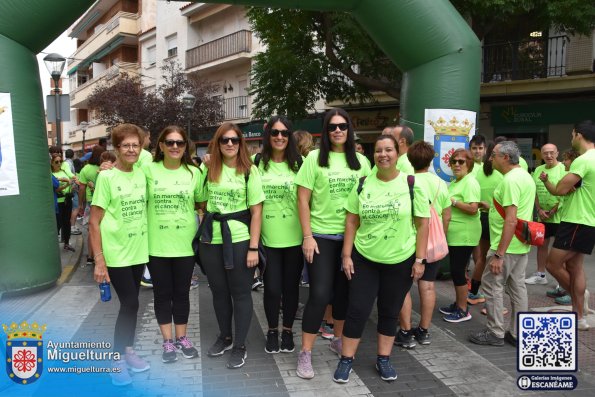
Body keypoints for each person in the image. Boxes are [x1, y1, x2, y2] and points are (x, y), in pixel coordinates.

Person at [333, 134, 429, 383]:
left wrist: (420, 260)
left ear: (398, 154)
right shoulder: (363, 183)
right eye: (378, 151)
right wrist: (346, 255)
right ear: (373, 155)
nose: (383, 155)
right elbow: (351, 220)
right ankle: (346, 360)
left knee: (389, 311)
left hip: (400, 260)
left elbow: (423, 224)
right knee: (357, 310)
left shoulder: (411, 184)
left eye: (388, 150)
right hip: (364, 257)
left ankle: (383, 359)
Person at [294, 108, 371, 379]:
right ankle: (305, 352)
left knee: (343, 294)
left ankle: (338, 340)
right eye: (332, 127)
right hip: (322, 238)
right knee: (320, 294)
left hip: (353, 239)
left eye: (342, 126)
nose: (337, 131)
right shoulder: (314, 159)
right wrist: (307, 236)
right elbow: (302, 199)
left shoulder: (361, 161)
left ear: (349, 130)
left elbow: (368, 200)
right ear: (325, 132)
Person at [197, 122, 265, 369]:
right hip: (211, 240)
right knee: (218, 292)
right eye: (224, 140)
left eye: (234, 140)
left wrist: (254, 248)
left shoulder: (250, 171)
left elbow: (257, 212)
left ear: (240, 144)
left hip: (239, 240)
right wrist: (204, 168)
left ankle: (240, 345)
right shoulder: (209, 169)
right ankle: (225, 337)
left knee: (241, 293)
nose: (229, 144)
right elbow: (200, 201)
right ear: (217, 143)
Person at [90, 124, 150, 385]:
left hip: (138, 251)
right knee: (131, 304)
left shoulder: (141, 173)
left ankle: (128, 352)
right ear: (116, 148)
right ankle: (117, 360)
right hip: (116, 253)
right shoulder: (106, 178)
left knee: (132, 304)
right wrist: (99, 260)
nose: (131, 149)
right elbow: (94, 221)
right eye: (126, 145)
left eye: (135, 145)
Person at [143, 126, 202, 363]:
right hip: (156, 245)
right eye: (170, 142)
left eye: (179, 143)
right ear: (160, 145)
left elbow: (202, 204)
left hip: (185, 245)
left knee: (182, 294)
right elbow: (125, 175)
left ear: (186, 146)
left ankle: (182, 338)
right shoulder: (147, 169)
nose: (175, 147)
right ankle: (167, 341)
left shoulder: (194, 173)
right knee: (162, 294)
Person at [469, 141, 535, 346]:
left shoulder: (510, 181)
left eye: (494, 154)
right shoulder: (524, 175)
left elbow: (511, 219)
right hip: (520, 244)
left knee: (493, 287)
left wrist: (498, 254)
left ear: (505, 157)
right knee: (518, 288)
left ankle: (495, 332)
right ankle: (517, 333)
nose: (490, 158)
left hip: (505, 246)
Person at [255, 116, 304, 354]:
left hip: (295, 238)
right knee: (272, 288)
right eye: (275, 133)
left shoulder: (300, 163)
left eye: (284, 133)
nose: (280, 137)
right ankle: (272, 330)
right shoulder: (257, 163)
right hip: (268, 239)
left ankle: (287, 330)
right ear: (268, 136)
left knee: (291, 289)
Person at [396, 140, 450, 348]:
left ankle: (405, 331)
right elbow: (446, 215)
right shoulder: (439, 183)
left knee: (403, 288)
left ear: (409, 159)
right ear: (431, 160)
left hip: (409, 241)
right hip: (432, 242)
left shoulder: (406, 181)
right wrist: (440, 237)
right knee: (427, 286)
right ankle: (424, 331)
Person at [542, 121, 595, 331]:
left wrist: (554, 183)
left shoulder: (583, 160)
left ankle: (579, 298)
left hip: (576, 220)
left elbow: (559, 190)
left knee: (552, 264)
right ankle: (579, 316)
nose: (571, 139)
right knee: (575, 266)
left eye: (572, 135)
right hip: (588, 220)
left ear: (579, 135)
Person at [440, 149, 480, 323]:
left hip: (464, 233)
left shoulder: (469, 182)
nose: (456, 164)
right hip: (456, 234)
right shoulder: (457, 182)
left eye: (461, 161)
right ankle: (459, 303)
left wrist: (454, 202)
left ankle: (463, 310)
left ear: (469, 164)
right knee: (458, 270)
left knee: (457, 271)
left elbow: (473, 208)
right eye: (454, 161)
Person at [468, 143, 503, 310]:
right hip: (496, 220)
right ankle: (494, 304)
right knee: (496, 259)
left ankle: (473, 292)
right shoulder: (503, 176)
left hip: (481, 218)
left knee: (481, 257)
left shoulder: (478, 173)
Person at [526, 144, 565, 285]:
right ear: (541, 155)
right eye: (545, 153)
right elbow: (534, 191)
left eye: (552, 153)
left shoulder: (563, 169)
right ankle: (540, 275)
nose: (549, 156)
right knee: (541, 245)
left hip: (559, 215)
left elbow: (565, 192)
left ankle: (562, 282)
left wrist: (554, 209)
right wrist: (539, 210)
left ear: (557, 153)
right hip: (542, 215)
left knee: (561, 249)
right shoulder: (538, 170)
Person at [78, 146, 106, 266]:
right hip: (105, 203)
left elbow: (81, 188)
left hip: (91, 202)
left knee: (91, 230)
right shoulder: (106, 169)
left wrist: (80, 204)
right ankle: (102, 255)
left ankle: (90, 256)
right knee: (103, 229)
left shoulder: (85, 169)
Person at [51, 153, 75, 252]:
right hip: (58, 202)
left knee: (67, 223)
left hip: (67, 200)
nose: (59, 163)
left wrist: (71, 186)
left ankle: (66, 243)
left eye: (60, 161)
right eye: (56, 162)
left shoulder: (64, 170)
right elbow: (55, 189)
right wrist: (66, 184)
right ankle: (53, 246)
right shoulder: (51, 173)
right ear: (51, 163)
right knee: (57, 224)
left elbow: (70, 180)